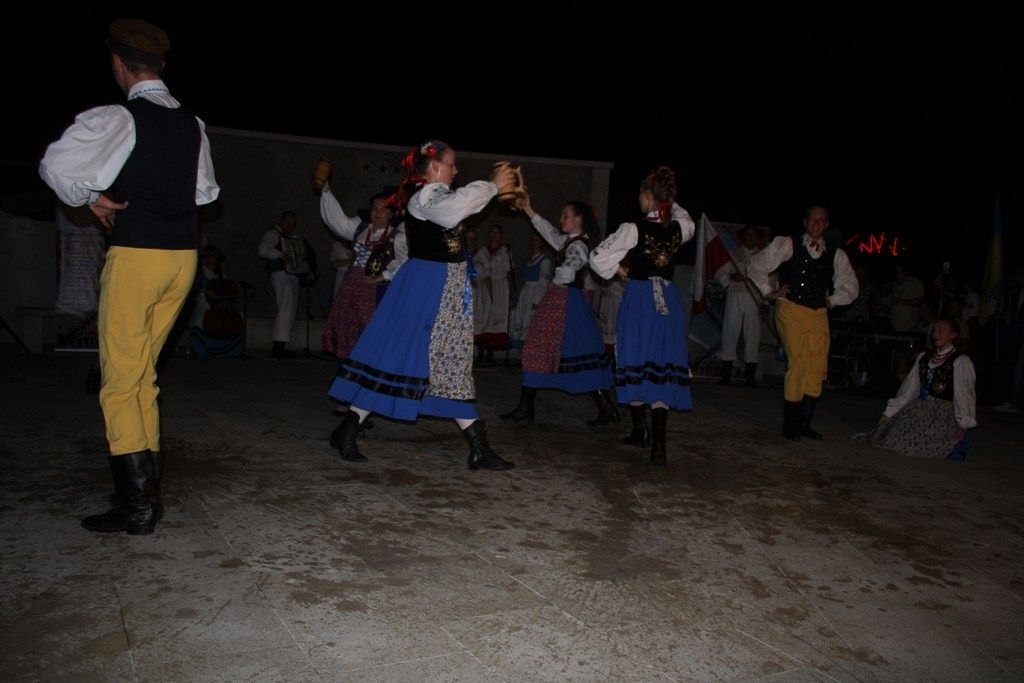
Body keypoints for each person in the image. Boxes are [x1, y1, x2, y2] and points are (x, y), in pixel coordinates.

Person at [39, 19, 219, 534]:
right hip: (181, 258)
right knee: (143, 375)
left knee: (119, 381)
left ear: (118, 63)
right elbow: (205, 192)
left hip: (138, 255)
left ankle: (137, 505)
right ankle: (145, 492)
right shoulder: (192, 123)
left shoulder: (120, 116)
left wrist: (90, 198)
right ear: (160, 65)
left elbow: (57, 167)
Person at [327, 140, 516, 470]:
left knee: (448, 363)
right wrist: (492, 185)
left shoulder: (433, 197)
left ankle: (479, 448)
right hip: (428, 287)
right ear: (435, 167)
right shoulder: (429, 196)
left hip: (442, 288)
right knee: (403, 357)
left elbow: (459, 209)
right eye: (451, 164)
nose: (455, 170)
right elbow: (457, 206)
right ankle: (347, 429)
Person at [589, 167, 695, 465]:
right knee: (662, 363)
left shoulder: (633, 229)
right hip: (669, 301)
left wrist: (620, 270)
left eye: (641, 192)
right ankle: (656, 446)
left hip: (639, 299)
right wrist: (669, 200)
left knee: (634, 357)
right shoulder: (680, 228)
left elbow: (597, 258)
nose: (638, 197)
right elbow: (687, 219)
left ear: (649, 195)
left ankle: (640, 430)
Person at [500, 196, 616, 427]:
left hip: (566, 302)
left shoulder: (579, 245)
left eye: (566, 216)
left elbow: (569, 272)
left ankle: (606, 408)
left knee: (564, 350)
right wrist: (528, 209)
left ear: (578, 220)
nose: (561, 219)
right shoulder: (569, 241)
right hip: (564, 301)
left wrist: (555, 281)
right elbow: (549, 232)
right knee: (546, 349)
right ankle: (527, 406)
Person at [747, 206, 858, 440]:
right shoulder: (789, 244)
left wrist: (832, 300)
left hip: (818, 313)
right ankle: (791, 424)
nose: (816, 224)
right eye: (812, 219)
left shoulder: (836, 254)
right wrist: (769, 291)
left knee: (817, 367)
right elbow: (755, 265)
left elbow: (851, 286)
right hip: (790, 308)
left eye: (821, 220)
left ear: (826, 224)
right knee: (799, 360)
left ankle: (804, 423)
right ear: (805, 221)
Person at [855, 319, 976, 460]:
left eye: (941, 331)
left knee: (916, 441)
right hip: (919, 406)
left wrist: (963, 423)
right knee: (892, 435)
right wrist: (890, 412)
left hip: (942, 412)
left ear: (953, 335)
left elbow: (965, 394)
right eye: (935, 330)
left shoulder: (961, 361)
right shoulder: (924, 357)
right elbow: (909, 389)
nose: (936, 334)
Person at [319, 189, 406, 362]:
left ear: (390, 213)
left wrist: (383, 276)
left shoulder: (397, 236)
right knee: (346, 327)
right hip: (351, 285)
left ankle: (366, 368)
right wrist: (327, 192)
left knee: (370, 327)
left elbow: (403, 262)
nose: (378, 213)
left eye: (383, 209)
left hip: (376, 288)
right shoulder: (360, 228)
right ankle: (347, 368)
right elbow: (337, 221)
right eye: (374, 208)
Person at [259, 211, 316, 359]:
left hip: (291, 275)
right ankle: (277, 347)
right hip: (280, 273)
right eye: (288, 223)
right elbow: (263, 250)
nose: (290, 227)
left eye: (293, 225)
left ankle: (281, 345)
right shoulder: (273, 233)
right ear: (281, 221)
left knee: (290, 310)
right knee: (285, 308)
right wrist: (280, 255)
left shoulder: (290, 238)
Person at [715, 225, 763, 386]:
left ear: (758, 239)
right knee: (730, 331)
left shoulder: (763, 256)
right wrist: (730, 277)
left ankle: (750, 376)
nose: (750, 238)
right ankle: (726, 375)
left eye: (753, 235)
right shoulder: (732, 254)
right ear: (742, 237)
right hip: (735, 295)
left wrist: (765, 302)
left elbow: (770, 279)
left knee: (753, 334)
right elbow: (720, 273)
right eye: (748, 235)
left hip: (754, 297)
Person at [473, 224, 513, 360]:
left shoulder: (505, 252)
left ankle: (491, 351)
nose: (494, 235)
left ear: (501, 236)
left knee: (496, 317)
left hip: (500, 287)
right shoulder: (482, 252)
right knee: (484, 317)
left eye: (497, 232)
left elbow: (509, 272)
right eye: (492, 232)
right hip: (485, 286)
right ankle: (481, 351)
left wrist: (510, 292)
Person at [508, 232, 552, 347]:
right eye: (532, 240)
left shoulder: (545, 261)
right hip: (525, 293)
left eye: (537, 240)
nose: (534, 242)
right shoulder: (528, 260)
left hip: (535, 293)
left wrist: (537, 300)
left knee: (530, 320)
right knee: (520, 318)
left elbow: (544, 282)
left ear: (542, 243)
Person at [890, 264, 924, 333]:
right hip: (895, 325)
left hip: (910, 327)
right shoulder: (894, 284)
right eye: (895, 272)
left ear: (905, 272)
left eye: (898, 272)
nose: (896, 274)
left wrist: (901, 302)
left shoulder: (915, 282)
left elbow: (920, 301)